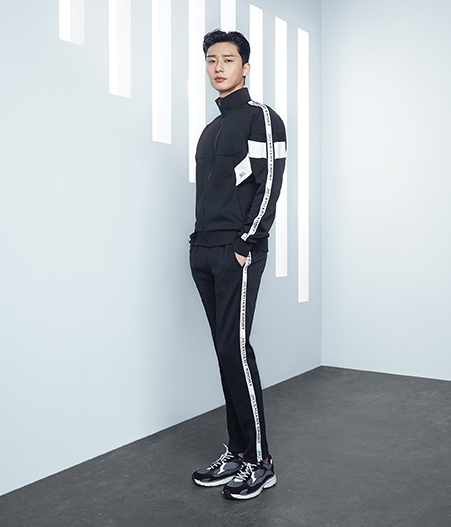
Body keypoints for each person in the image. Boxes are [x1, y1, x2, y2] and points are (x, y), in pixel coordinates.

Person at [188, 29, 286, 500]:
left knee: (236, 351)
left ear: (245, 67)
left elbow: (270, 184)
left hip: (237, 251)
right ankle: (238, 451)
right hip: (204, 251)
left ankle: (260, 461)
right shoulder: (210, 130)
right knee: (226, 353)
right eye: (211, 59)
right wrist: (198, 244)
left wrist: (247, 242)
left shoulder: (260, 118)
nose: (218, 67)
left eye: (227, 59)